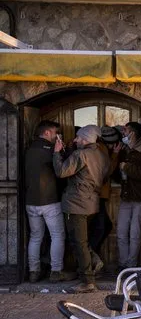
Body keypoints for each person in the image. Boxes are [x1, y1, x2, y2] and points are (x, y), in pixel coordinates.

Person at [53, 125, 110, 293]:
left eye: (78, 138)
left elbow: (62, 172)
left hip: (76, 204)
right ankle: (92, 262)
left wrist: (57, 153)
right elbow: (104, 177)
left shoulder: (81, 154)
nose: (75, 140)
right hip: (92, 203)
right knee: (82, 241)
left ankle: (87, 281)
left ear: (85, 139)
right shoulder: (102, 155)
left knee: (78, 242)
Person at [24, 121, 71, 283]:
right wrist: (61, 151)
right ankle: (56, 271)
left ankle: (33, 271)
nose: (58, 135)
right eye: (56, 132)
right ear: (47, 133)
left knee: (36, 236)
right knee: (57, 235)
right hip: (50, 200)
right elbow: (62, 171)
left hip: (30, 201)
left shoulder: (28, 149)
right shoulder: (51, 150)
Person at [87, 126, 122, 273]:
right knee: (102, 226)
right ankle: (89, 257)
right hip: (96, 195)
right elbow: (107, 171)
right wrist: (115, 154)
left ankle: (91, 256)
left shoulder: (102, 148)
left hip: (99, 195)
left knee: (103, 226)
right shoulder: (101, 149)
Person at [117, 121, 141, 271]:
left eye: (125, 131)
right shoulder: (125, 149)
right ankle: (123, 265)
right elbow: (117, 173)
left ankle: (131, 265)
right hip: (126, 196)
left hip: (140, 197)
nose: (123, 133)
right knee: (121, 232)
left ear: (133, 133)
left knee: (134, 233)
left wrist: (126, 167)